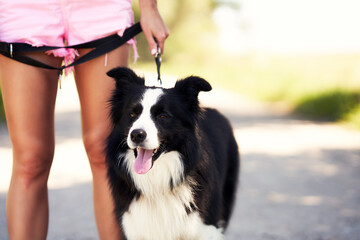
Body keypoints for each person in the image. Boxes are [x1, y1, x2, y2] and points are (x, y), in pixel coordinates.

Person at [0, 0, 169, 239]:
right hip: (23, 8)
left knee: (105, 150)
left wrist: (149, 9)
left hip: (101, 8)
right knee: (30, 159)